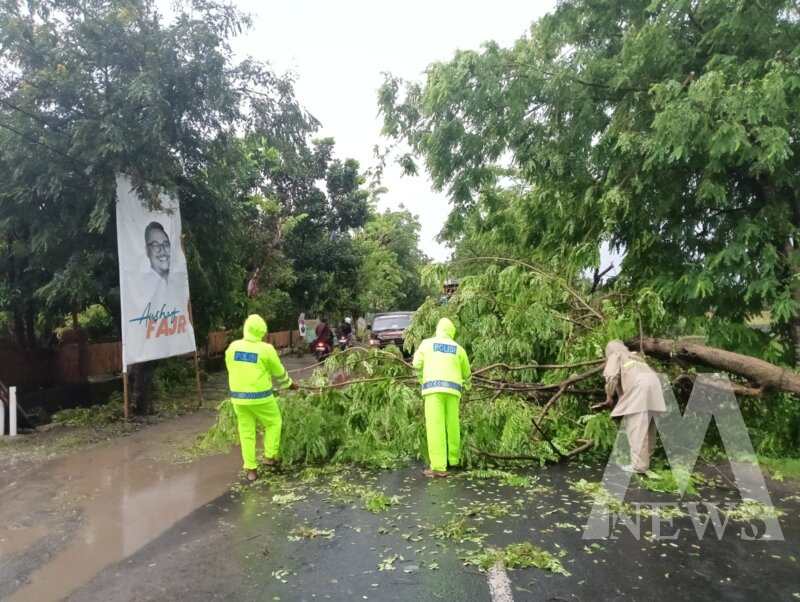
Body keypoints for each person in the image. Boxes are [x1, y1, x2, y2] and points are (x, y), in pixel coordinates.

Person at [225, 314, 297, 482]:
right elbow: (278, 372)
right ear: (262, 332)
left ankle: (251, 470)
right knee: (274, 422)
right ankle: (269, 456)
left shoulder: (233, 347)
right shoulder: (266, 349)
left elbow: (231, 368)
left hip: (238, 399)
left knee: (246, 432)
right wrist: (290, 385)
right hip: (261, 398)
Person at [412, 318, 471, 478]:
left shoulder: (426, 344)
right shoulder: (458, 349)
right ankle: (454, 459)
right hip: (453, 390)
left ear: (438, 329)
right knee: (453, 424)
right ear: (452, 332)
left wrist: (421, 375)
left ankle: (438, 467)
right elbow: (467, 373)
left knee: (435, 426)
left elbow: (416, 364)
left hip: (433, 389)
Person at [600, 340, 666, 474]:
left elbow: (611, 377)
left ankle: (639, 466)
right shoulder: (636, 356)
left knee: (637, 426)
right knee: (649, 425)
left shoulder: (616, 354)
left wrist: (609, 397)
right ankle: (647, 460)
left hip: (640, 387)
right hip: (655, 385)